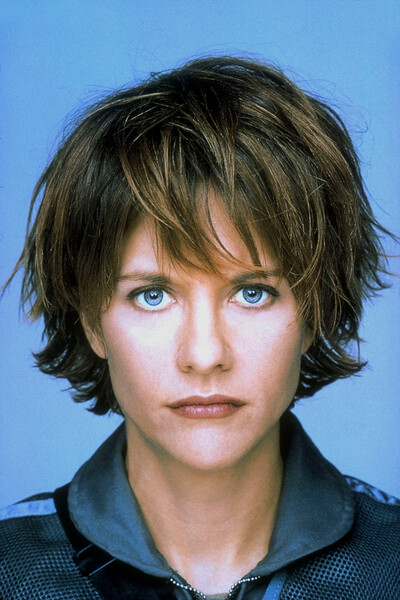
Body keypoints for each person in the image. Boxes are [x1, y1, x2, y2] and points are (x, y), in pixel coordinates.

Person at [1, 56, 399, 600]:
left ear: (314, 312)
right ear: (92, 321)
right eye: (152, 295)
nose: (205, 354)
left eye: (252, 292)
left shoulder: (390, 565)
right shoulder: (11, 570)